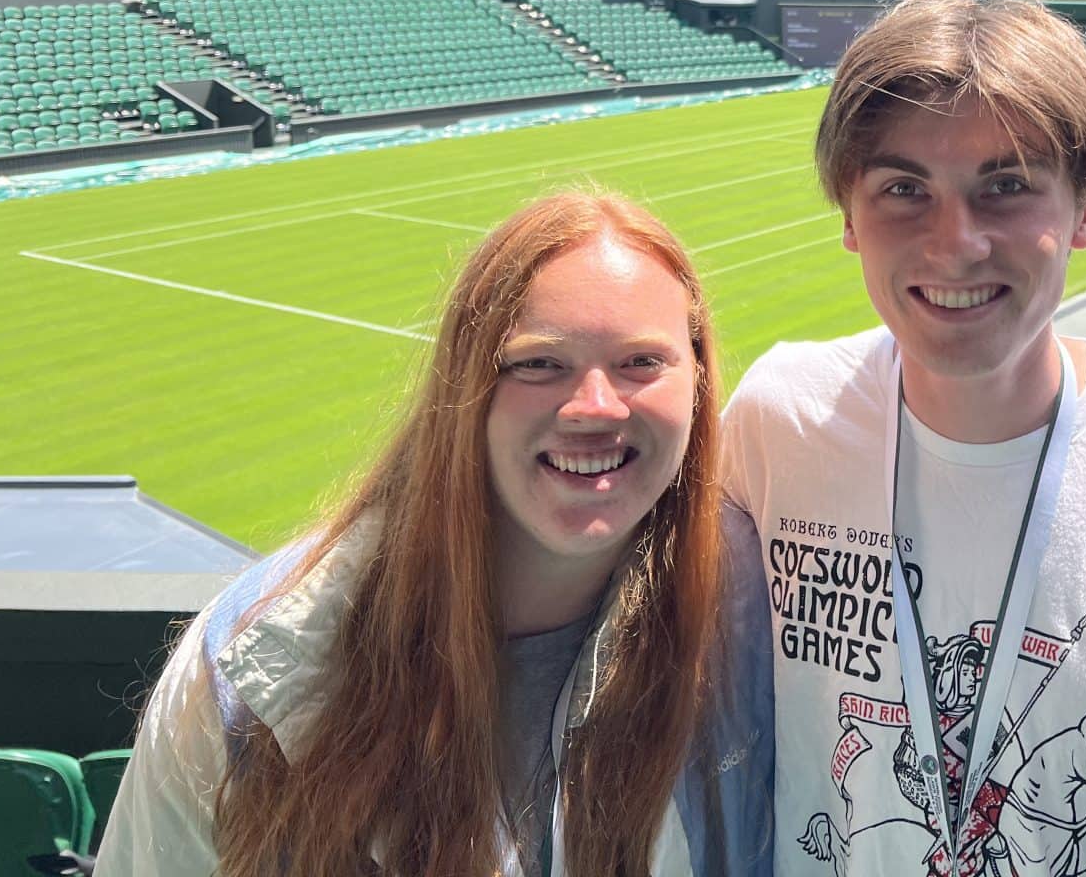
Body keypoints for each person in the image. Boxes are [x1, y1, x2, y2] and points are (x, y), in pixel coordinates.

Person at [98, 189, 772, 877]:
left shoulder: (759, 616)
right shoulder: (254, 664)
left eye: (641, 362)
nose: (594, 406)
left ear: (697, 380)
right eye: (538, 363)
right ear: (465, 383)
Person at [720, 0, 1086, 877]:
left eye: (1008, 186)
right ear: (848, 217)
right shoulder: (775, 417)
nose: (957, 242)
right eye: (904, 189)